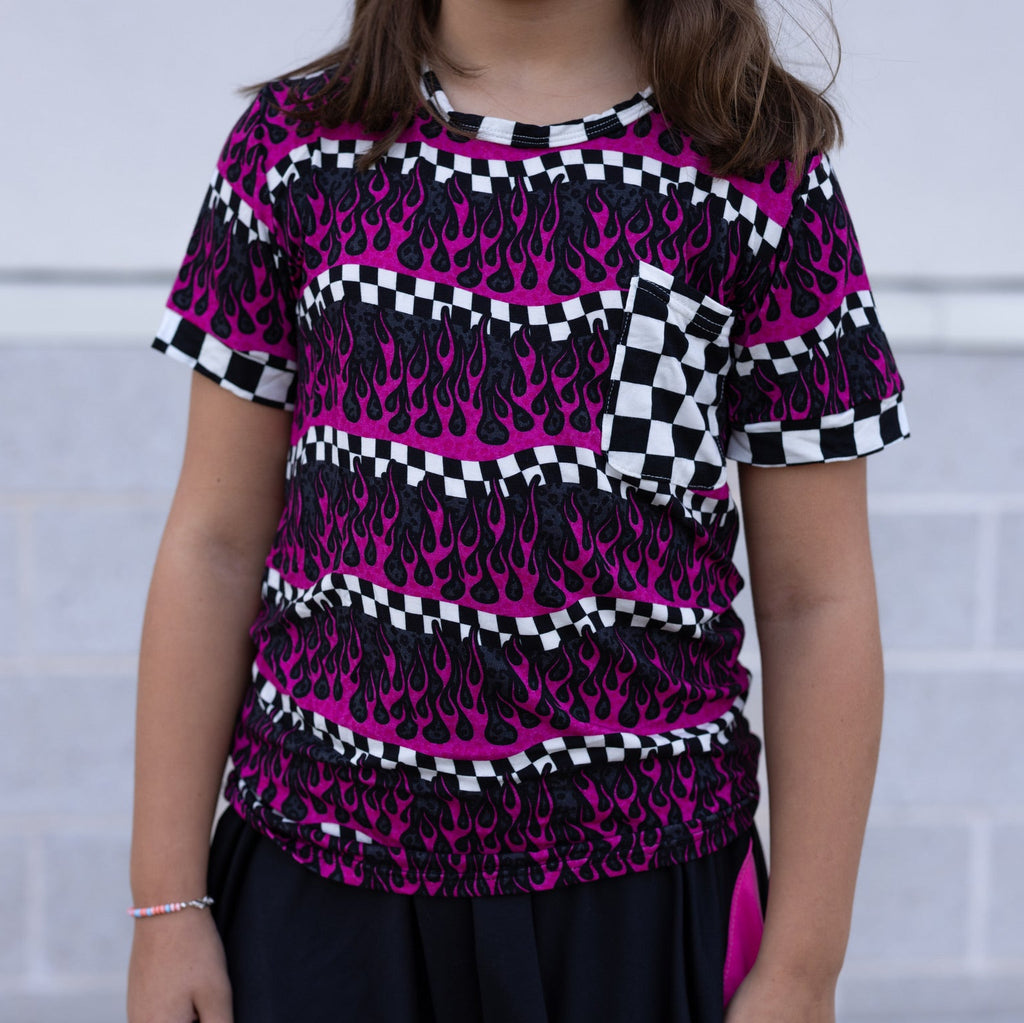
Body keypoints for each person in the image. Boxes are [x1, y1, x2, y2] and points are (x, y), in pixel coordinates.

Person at [126, 0, 908, 1020]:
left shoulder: (759, 167)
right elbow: (215, 546)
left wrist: (804, 966)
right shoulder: (297, 147)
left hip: (644, 893)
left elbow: (818, 601)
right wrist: (165, 905)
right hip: (317, 884)